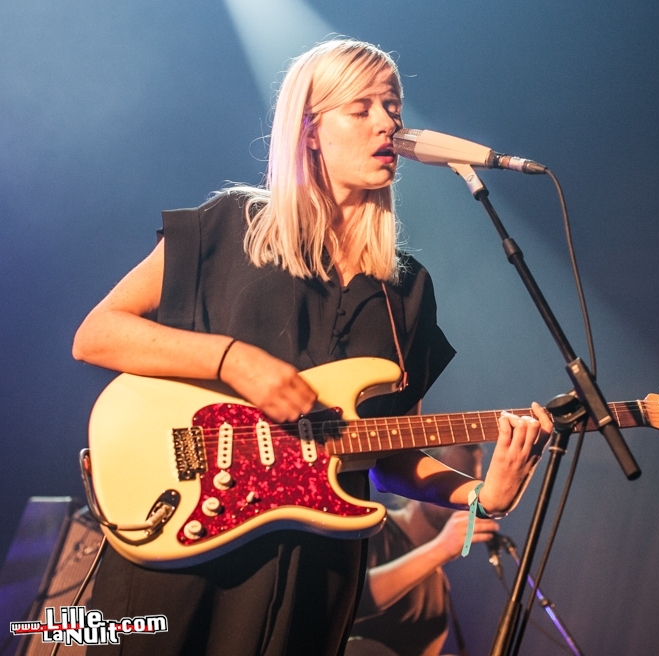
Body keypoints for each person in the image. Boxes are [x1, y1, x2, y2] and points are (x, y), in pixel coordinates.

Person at [72, 37, 552, 656]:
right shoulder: (231, 225)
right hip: (187, 548)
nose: (390, 123)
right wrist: (232, 360)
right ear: (309, 132)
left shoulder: (406, 289)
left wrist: (479, 495)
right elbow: (97, 334)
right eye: (362, 108)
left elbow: (383, 447)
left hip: (313, 575)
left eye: (394, 108)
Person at [348, 445, 495, 656]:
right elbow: (352, 598)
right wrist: (441, 549)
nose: (465, 494)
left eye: (470, 481)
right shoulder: (372, 529)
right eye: (453, 477)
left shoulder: (438, 581)